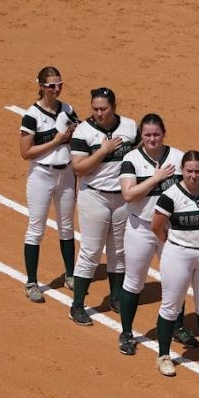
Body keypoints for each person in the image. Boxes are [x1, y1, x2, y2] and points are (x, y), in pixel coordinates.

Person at [117, 113, 199, 359]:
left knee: (177, 280)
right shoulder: (131, 159)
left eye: (156, 134)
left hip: (170, 230)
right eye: (147, 135)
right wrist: (155, 179)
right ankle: (127, 333)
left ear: (164, 133)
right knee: (134, 282)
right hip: (140, 229)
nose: (152, 139)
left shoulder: (178, 158)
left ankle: (177, 327)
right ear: (141, 136)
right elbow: (129, 195)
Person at [68, 87, 138, 326]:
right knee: (91, 251)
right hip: (94, 196)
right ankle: (77, 305)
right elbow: (79, 168)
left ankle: (116, 297)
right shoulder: (83, 131)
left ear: (114, 107)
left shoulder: (130, 127)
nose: (99, 113)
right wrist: (103, 151)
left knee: (119, 250)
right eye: (95, 109)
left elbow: (138, 156)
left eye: (103, 109)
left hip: (122, 198)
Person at [151, 152, 199, 378]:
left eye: (197, 171)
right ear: (182, 170)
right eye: (189, 171)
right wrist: (176, 243)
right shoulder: (170, 196)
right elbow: (157, 226)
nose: (193, 175)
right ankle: (163, 356)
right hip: (178, 256)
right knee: (170, 306)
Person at [19, 66, 78, 303]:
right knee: (36, 228)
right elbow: (26, 152)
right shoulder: (31, 115)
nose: (56, 89)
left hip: (66, 174)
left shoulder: (68, 109)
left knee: (67, 226)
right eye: (52, 85)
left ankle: (70, 275)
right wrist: (55, 141)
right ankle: (31, 282)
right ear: (42, 87)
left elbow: (77, 135)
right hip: (41, 175)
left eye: (59, 84)